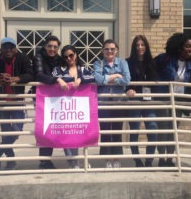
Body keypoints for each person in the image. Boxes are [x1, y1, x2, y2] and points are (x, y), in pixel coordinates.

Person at [0, 37, 34, 170]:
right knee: (6, 131)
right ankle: (11, 160)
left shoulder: (23, 58)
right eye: (5, 48)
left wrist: (17, 79)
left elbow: (30, 74)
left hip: (17, 100)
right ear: (1, 50)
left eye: (11, 47)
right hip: (2, 101)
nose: (8, 50)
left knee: (17, 130)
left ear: (15, 49)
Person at [154, 32, 191, 167]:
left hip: (179, 101)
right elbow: (150, 69)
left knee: (174, 129)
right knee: (164, 129)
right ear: (180, 47)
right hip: (164, 100)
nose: (190, 49)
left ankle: (170, 158)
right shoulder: (165, 59)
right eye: (187, 46)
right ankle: (162, 158)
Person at [52, 45, 95, 168]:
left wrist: (80, 79)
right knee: (66, 134)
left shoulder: (82, 69)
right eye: (66, 57)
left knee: (78, 132)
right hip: (63, 106)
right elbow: (53, 76)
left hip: (79, 107)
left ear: (76, 55)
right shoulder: (59, 68)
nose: (69, 58)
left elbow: (92, 77)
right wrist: (61, 80)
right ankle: (72, 162)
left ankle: (78, 161)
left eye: (71, 55)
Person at [93, 39, 130, 168]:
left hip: (118, 101)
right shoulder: (98, 63)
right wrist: (115, 76)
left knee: (117, 129)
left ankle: (117, 157)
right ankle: (107, 158)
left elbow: (127, 80)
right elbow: (98, 80)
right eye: (107, 49)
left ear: (117, 50)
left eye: (112, 49)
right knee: (105, 130)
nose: (110, 51)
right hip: (103, 102)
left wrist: (107, 79)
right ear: (103, 51)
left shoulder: (123, 63)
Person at [125, 35, 158, 167]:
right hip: (134, 99)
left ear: (146, 46)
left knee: (152, 128)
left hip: (149, 99)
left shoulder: (152, 62)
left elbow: (156, 81)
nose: (140, 47)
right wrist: (128, 90)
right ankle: (137, 159)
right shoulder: (127, 62)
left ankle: (149, 160)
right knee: (135, 130)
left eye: (142, 45)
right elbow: (125, 80)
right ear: (134, 47)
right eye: (137, 45)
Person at [32, 35, 63, 169]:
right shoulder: (38, 57)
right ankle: (44, 160)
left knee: (53, 128)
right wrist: (55, 80)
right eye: (50, 46)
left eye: (55, 47)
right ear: (45, 46)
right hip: (42, 98)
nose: (52, 49)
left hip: (56, 97)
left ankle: (47, 159)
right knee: (45, 128)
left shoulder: (60, 59)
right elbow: (39, 74)